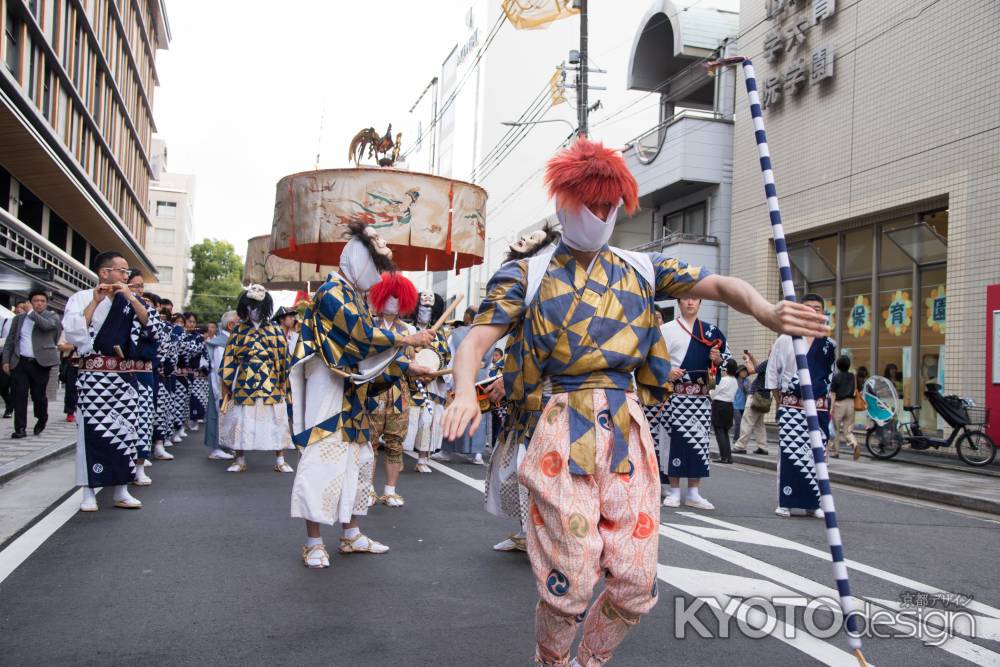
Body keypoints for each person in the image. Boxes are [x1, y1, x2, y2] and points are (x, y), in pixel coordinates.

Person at [442, 138, 829, 666]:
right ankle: (552, 661)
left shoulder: (641, 268)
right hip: (559, 428)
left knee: (635, 580)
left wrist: (763, 309)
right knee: (573, 577)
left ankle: (588, 661)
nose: (600, 215)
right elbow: (475, 342)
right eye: (589, 203)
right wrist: (465, 389)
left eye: (608, 205)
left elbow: (718, 283)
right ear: (563, 201)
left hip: (627, 430)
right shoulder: (526, 274)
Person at [289, 220, 435, 568]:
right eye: (375, 265)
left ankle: (351, 534)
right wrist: (406, 341)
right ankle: (312, 542)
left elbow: (367, 354)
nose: (377, 275)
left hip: (349, 393)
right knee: (323, 460)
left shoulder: (350, 295)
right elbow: (360, 335)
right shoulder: (330, 293)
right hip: (328, 390)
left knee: (358, 463)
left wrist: (408, 369)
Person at [63, 251, 152, 512]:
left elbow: (149, 326)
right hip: (93, 377)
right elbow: (75, 333)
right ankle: (88, 492)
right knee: (91, 434)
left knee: (126, 432)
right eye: (122, 271)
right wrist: (95, 301)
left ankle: (121, 490)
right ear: (105, 273)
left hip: (123, 378)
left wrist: (129, 296)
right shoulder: (80, 298)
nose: (127, 276)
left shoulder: (129, 299)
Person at [766, 293, 836, 519]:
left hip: (818, 409)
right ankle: (785, 501)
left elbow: (830, 380)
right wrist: (782, 403)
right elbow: (773, 376)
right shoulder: (786, 339)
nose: (813, 311)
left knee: (816, 457)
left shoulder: (828, 345)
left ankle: (814, 503)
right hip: (791, 407)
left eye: (817, 308)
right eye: (807, 307)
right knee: (789, 455)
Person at [660, 295, 730, 509]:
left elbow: (725, 360)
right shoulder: (666, 329)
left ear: (700, 303)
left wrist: (717, 360)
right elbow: (653, 360)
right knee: (673, 442)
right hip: (675, 395)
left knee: (698, 443)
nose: (690, 302)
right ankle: (673, 491)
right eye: (686, 299)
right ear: (679, 302)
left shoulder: (711, 331)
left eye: (695, 299)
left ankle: (693, 492)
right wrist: (667, 372)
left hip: (700, 396)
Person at [219, 285, 294, 473]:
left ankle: (280, 459)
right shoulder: (238, 330)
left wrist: (283, 380)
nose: (254, 311)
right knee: (241, 419)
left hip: (270, 381)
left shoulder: (275, 329)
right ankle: (239, 459)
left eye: (258, 307)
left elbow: (284, 357)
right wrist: (226, 384)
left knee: (276, 420)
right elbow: (229, 357)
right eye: (250, 307)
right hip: (245, 380)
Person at [366, 272, 420, 507]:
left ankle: (390, 490)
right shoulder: (367, 325)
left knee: (395, 441)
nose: (393, 301)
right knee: (368, 442)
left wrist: (421, 370)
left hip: (399, 393)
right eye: (390, 296)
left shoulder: (408, 330)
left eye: (398, 297)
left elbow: (410, 363)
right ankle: (366, 488)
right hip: (373, 389)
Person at [3, 290, 62, 438]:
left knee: (38, 396)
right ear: (30, 302)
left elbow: (47, 327)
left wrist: (31, 313)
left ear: (46, 303)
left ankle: (42, 418)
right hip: (20, 362)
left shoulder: (52, 316)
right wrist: (6, 361)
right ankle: (20, 428)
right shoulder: (19, 319)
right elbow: (10, 341)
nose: (39, 303)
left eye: (42, 301)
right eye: (36, 300)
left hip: (40, 363)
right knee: (19, 395)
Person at [404, 291, 451, 473]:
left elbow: (446, 357)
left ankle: (423, 458)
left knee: (428, 420)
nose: (425, 311)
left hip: (431, 384)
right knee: (408, 419)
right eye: (422, 307)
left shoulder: (439, 334)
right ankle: (397, 454)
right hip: (409, 382)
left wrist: (433, 373)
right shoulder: (407, 331)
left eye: (429, 308)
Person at [125, 271, 164, 484]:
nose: (139, 290)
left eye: (141, 286)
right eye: (134, 286)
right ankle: (122, 466)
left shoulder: (147, 308)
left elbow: (154, 331)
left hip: (143, 370)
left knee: (143, 419)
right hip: (120, 371)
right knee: (122, 420)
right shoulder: (114, 306)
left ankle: (140, 466)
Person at [204, 310, 237, 461]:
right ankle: (216, 448)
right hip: (220, 385)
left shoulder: (228, 341)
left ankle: (225, 445)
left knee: (228, 415)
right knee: (219, 414)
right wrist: (223, 390)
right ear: (231, 325)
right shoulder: (221, 343)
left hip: (228, 385)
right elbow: (219, 369)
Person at [733, 349, 770, 455]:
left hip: (756, 395)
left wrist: (747, 360)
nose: (769, 351)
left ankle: (740, 446)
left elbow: (751, 370)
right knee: (759, 423)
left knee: (747, 421)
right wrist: (751, 356)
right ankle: (762, 447)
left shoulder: (769, 362)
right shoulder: (776, 364)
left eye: (770, 349)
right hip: (765, 396)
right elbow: (758, 367)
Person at [181, 313, 208, 432]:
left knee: (188, 400)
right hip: (178, 371)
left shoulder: (198, 337)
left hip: (193, 372)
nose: (192, 324)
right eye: (189, 321)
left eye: (194, 322)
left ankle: (184, 425)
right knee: (179, 401)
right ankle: (179, 426)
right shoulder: (179, 334)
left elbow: (199, 351)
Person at [830, 355, 860, 460]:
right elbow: (855, 389)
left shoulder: (836, 377)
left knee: (836, 429)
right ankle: (854, 443)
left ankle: (836, 452)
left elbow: (833, 394)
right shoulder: (852, 376)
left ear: (838, 365)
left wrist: (831, 407)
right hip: (851, 403)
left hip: (839, 404)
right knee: (847, 430)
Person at [711, 359, 739, 464]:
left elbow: (713, 392)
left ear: (726, 369)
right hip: (729, 406)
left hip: (719, 405)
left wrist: (711, 384)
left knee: (719, 431)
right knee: (725, 432)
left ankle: (723, 457)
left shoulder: (724, 379)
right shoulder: (735, 381)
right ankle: (729, 456)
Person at [732, 364, 749, 443]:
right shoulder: (734, 380)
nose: (744, 373)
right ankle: (736, 439)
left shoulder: (747, 381)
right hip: (735, 405)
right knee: (738, 422)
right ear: (738, 372)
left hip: (744, 405)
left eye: (745, 371)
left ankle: (741, 440)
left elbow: (749, 392)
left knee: (744, 424)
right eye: (742, 371)